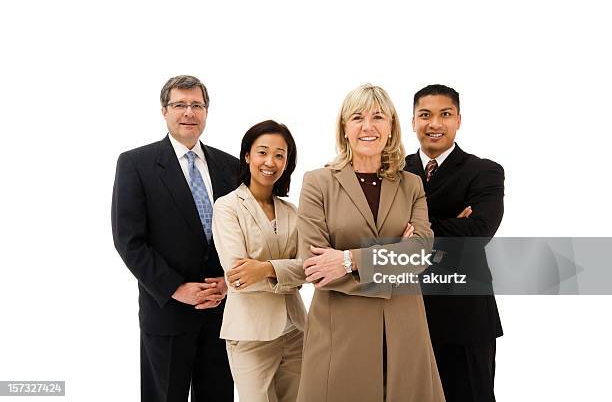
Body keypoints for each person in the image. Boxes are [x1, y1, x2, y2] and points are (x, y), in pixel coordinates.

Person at [296, 84, 445, 402]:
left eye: (378, 117)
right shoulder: (317, 183)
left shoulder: (411, 185)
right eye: (357, 117)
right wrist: (395, 259)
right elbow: (315, 268)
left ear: (391, 127)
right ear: (344, 128)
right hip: (341, 335)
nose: (368, 126)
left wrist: (348, 260)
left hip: (404, 330)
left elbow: (419, 254)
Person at [111, 75, 237, 401]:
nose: (189, 112)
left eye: (197, 105)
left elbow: (244, 235)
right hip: (167, 314)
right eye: (179, 104)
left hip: (223, 313)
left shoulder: (231, 167)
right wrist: (176, 289)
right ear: (164, 111)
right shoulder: (136, 164)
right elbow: (129, 240)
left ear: (207, 112)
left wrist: (227, 281)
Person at [405, 84, 504, 402]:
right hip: (406, 312)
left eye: (444, 114)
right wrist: (452, 225)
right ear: (413, 121)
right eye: (425, 115)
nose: (434, 124)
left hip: (465, 317)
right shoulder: (394, 170)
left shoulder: (483, 171)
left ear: (458, 119)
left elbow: (478, 230)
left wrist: (412, 231)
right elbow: (376, 232)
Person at [212, 120, 307, 402]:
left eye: (280, 155)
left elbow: (308, 269)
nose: (271, 161)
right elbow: (238, 277)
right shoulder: (227, 206)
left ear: (288, 163)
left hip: (296, 332)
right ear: (247, 156)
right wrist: (287, 274)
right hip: (251, 334)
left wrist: (265, 268)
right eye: (262, 152)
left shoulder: (293, 211)